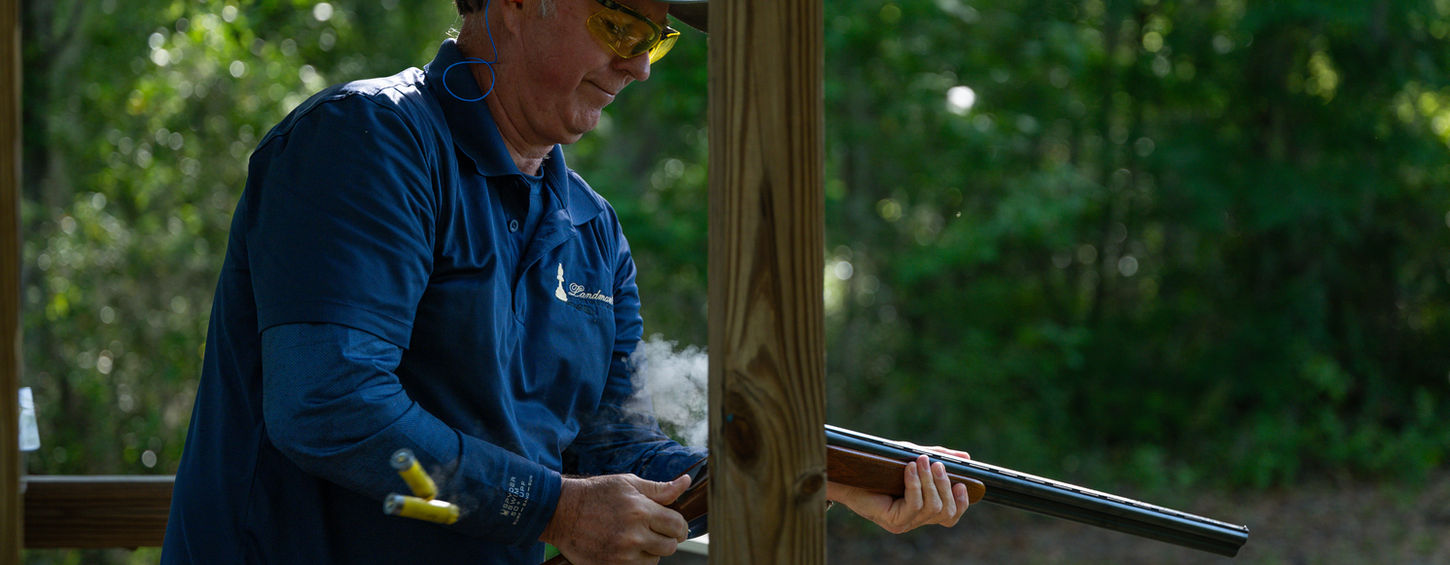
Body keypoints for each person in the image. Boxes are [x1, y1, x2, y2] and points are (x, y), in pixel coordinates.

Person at [161, 1, 971, 563]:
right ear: (514, 1)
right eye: (619, 24)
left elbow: (614, 453)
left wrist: (823, 473)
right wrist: (556, 510)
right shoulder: (367, 140)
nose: (638, 66)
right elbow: (327, 405)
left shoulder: (593, 227)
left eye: (655, 40)